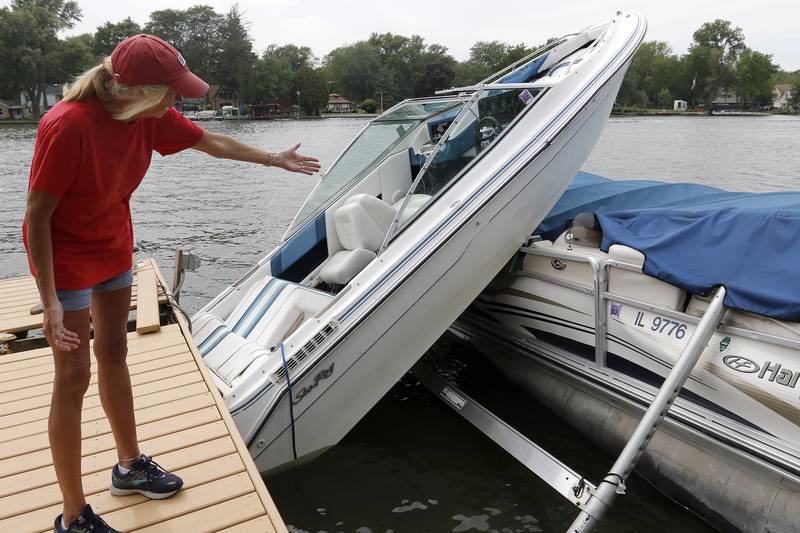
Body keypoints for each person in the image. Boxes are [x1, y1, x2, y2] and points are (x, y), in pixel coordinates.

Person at [22, 34, 321, 533]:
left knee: (114, 351)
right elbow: (36, 217)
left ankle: (128, 466)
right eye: (170, 90)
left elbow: (213, 143)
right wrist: (49, 299)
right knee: (72, 378)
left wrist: (272, 159)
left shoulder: (151, 116)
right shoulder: (68, 125)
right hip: (66, 258)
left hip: (113, 246)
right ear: (132, 88)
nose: (177, 100)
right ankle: (73, 515)